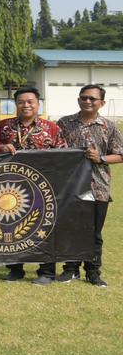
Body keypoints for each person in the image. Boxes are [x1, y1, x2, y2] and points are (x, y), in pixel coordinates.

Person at [55, 85, 122, 288]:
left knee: (94, 233)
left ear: (102, 102)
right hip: (69, 187)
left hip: (98, 187)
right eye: (84, 97)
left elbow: (120, 154)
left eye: (92, 99)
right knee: (70, 229)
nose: (87, 101)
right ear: (78, 100)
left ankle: (93, 272)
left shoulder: (109, 127)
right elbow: (55, 150)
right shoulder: (64, 123)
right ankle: (70, 269)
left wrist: (101, 158)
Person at [0, 86, 65, 283]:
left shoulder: (52, 128)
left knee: (45, 228)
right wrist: (1, 147)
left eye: (30, 102)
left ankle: (46, 272)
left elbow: (64, 155)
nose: (26, 105)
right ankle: (15, 269)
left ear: (38, 104)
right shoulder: (3, 126)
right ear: (15, 104)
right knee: (12, 227)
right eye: (21, 102)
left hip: (43, 188)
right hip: (11, 187)